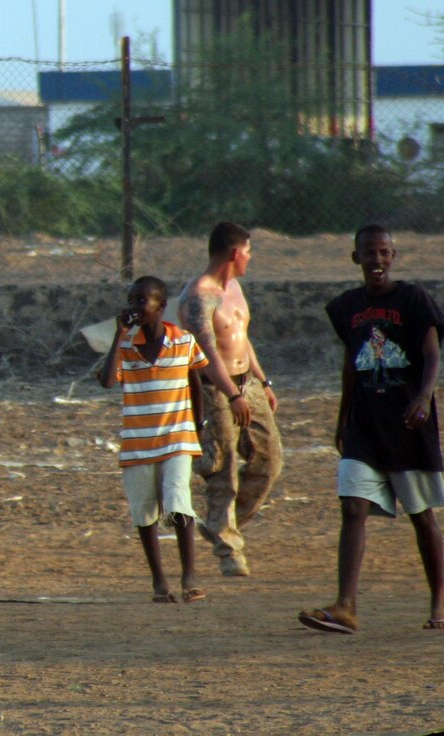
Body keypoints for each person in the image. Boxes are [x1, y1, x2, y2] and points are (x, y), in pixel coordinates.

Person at [298, 224, 444, 635]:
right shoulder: (348, 306)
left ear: (393, 256)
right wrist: (342, 416)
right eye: (369, 253)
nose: (377, 260)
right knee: (352, 506)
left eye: (384, 252)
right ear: (356, 258)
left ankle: (438, 601)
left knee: (421, 516)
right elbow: (351, 362)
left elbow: (431, 351)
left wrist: (423, 396)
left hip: (406, 424)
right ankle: (345, 605)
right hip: (364, 425)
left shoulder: (414, 299)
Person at [178, 221, 282, 577]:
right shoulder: (197, 297)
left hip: (246, 382)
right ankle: (229, 551)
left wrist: (262, 380)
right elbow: (206, 353)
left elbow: (242, 339)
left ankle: (220, 524)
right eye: (249, 252)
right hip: (215, 388)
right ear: (235, 253)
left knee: (269, 461)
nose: (250, 259)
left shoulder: (235, 289)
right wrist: (232, 394)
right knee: (223, 471)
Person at [97, 276, 209, 603]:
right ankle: (159, 580)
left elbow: (196, 383)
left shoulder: (183, 341)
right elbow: (106, 381)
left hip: (177, 437)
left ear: (161, 306)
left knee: (178, 500)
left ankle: (189, 574)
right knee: (144, 511)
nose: (135, 306)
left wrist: (197, 427)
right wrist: (119, 335)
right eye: (132, 300)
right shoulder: (126, 346)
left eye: (142, 300)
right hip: (138, 441)